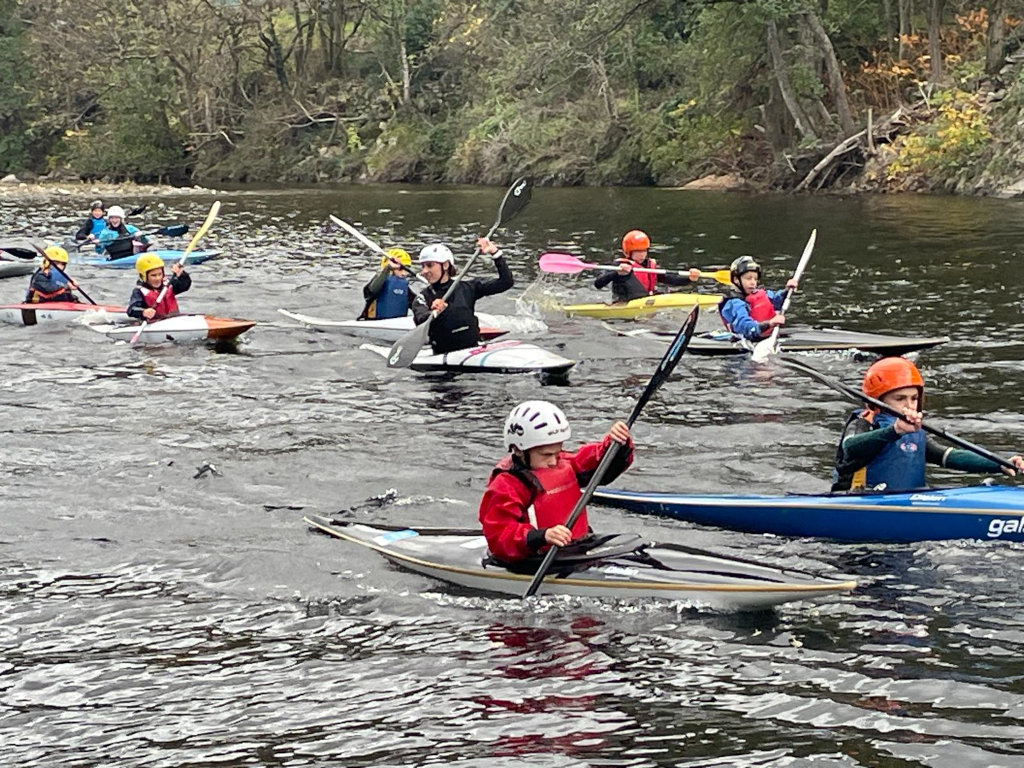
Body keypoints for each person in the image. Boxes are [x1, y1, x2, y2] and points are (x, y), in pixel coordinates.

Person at [832, 356, 1024, 492]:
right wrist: (895, 430)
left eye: (914, 398)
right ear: (876, 401)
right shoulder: (864, 423)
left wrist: (999, 463)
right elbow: (851, 447)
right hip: (860, 499)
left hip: (905, 500)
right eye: (900, 398)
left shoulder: (915, 430)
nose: (909, 405)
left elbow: (947, 456)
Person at [478, 400, 633, 565]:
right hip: (536, 559)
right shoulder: (507, 485)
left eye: (557, 453)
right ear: (518, 450)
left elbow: (596, 464)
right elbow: (500, 535)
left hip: (576, 548)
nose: (553, 461)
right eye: (546, 454)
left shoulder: (562, 463)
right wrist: (542, 536)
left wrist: (615, 444)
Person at [412, 238, 512, 354]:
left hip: (472, 350)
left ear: (445, 265)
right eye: (423, 266)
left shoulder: (468, 287)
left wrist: (495, 253)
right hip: (443, 356)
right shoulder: (423, 297)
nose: (424, 271)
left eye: (429, 265)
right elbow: (420, 320)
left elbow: (506, 282)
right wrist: (434, 313)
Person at [593, 229, 701, 303]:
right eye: (638, 252)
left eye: (644, 251)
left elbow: (670, 279)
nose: (642, 255)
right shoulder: (619, 266)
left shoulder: (650, 266)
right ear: (628, 252)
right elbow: (598, 284)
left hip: (647, 301)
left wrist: (689, 278)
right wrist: (616, 273)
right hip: (624, 304)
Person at [718, 255, 799, 341]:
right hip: (745, 340)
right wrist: (769, 324)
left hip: (766, 337)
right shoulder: (733, 303)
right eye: (748, 278)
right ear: (736, 279)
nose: (753, 282)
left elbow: (776, 299)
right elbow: (744, 326)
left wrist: (787, 290)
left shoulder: (759, 294)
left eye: (755, 279)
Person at [127, 254, 190, 321]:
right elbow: (131, 309)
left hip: (173, 319)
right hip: (154, 323)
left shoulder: (168, 285)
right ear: (144, 276)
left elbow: (185, 285)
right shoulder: (139, 291)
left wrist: (181, 274)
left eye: (160, 274)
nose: (158, 278)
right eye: (153, 275)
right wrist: (143, 311)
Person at [358, 247, 416, 320]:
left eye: (407, 269)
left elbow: (417, 304)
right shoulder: (376, 283)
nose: (404, 273)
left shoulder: (405, 289)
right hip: (373, 323)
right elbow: (371, 291)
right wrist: (388, 268)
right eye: (400, 269)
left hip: (395, 326)